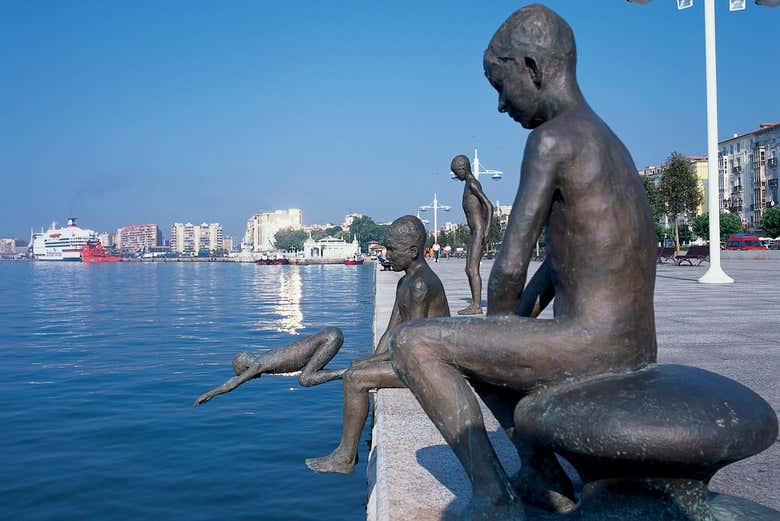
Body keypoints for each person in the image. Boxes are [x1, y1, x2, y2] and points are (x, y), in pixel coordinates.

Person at [388, 6, 657, 520]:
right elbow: (562, 264)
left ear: (532, 68)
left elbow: (510, 266)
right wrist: (505, 328)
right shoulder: (608, 142)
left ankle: (492, 496)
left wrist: (500, 323)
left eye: (500, 83)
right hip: (634, 343)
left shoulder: (551, 139)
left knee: (413, 343)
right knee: (486, 339)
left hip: (591, 345)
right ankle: (541, 474)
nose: (499, 104)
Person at [195, 215, 450, 475]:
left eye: (391, 250)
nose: (387, 254)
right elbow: (392, 330)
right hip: (422, 355)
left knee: (354, 378)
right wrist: (372, 360)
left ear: (413, 251)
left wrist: (369, 368)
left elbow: (413, 344)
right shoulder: (405, 281)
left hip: (431, 363)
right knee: (358, 369)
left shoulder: (420, 285)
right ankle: (346, 452)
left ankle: (345, 458)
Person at [451, 154, 494, 315]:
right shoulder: (468, 184)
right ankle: (474, 303)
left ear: (463, 168)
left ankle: (476, 306)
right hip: (474, 232)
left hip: (479, 231)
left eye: (456, 172)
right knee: (468, 269)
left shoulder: (472, 184)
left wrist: (487, 230)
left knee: (472, 268)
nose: (456, 176)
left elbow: (489, 206)